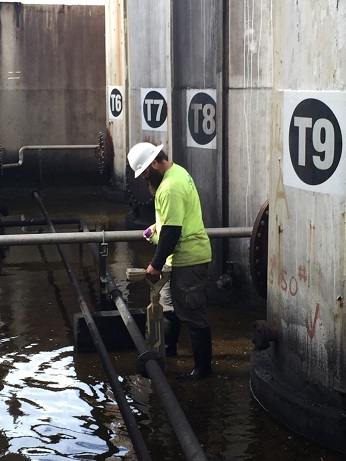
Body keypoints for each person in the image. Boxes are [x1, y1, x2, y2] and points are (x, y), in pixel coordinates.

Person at [127, 142, 213, 381]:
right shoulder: (177, 172)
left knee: (193, 313)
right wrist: (157, 226)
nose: (144, 178)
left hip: (188, 257)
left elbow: (172, 232)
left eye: (145, 172)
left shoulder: (170, 187)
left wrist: (155, 264)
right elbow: (173, 220)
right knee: (169, 305)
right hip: (180, 255)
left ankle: (203, 370)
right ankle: (169, 350)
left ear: (155, 162)